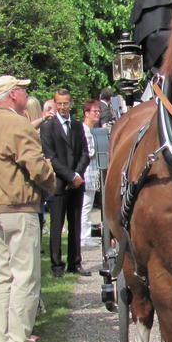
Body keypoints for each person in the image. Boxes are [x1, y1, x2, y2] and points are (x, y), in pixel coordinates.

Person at [0, 76, 58, 342]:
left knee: (3, 274)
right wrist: (50, 174)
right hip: (17, 206)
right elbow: (37, 167)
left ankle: (3, 340)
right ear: (13, 95)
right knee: (25, 275)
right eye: (23, 90)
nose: (26, 94)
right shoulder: (17, 124)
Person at [40, 88, 90, 278]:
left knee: (75, 224)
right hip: (59, 183)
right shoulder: (48, 127)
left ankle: (75, 262)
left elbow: (85, 153)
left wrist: (78, 174)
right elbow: (50, 157)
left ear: (71, 103)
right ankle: (56, 265)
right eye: (59, 103)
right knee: (57, 225)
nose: (62, 107)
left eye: (65, 103)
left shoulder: (77, 126)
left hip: (77, 182)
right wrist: (70, 176)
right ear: (54, 104)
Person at [80, 99, 103, 249]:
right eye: (95, 111)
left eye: (99, 112)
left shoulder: (91, 130)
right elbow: (90, 152)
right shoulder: (84, 131)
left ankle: (86, 235)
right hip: (87, 172)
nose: (98, 114)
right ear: (86, 113)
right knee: (86, 206)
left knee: (88, 204)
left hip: (93, 172)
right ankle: (84, 236)